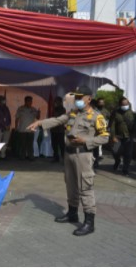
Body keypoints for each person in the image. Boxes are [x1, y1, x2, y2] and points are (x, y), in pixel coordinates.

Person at [27, 86, 109, 236]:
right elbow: (57, 120)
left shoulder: (97, 117)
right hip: (69, 154)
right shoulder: (73, 113)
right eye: (76, 97)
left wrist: (86, 140)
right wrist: (39, 123)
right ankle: (72, 213)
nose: (77, 100)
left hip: (83, 155)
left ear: (88, 99)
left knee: (85, 187)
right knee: (70, 185)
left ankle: (89, 223)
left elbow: (105, 137)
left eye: (80, 97)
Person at [109, 97, 135, 176]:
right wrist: (113, 136)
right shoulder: (115, 112)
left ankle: (125, 169)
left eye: (126, 104)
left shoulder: (133, 112)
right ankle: (117, 161)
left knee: (128, 154)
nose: (125, 105)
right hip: (118, 136)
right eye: (123, 104)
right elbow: (112, 125)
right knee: (115, 151)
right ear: (120, 104)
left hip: (129, 136)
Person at [15, 96, 40, 160]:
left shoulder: (33, 109)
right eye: (29, 101)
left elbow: (37, 118)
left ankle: (31, 156)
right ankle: (22, 157)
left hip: (31, 130)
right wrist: (16, 127)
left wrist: (39, 113)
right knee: (23, 144)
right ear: (25, 101)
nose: (30, 102)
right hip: (22, 130)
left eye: (31, 101)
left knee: (30, 145)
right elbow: (17, 118)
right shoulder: (20, 109)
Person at [93, 97, 110, 167]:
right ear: (97, 103)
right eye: (100, 102)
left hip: (102, 131)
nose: (101, 104)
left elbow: (110, 119)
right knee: (94, 146)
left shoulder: (106, 111)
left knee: (97, 146)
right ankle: (94, 160)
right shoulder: (94, 110)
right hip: (94, 131)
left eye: (103, 102)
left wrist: (107, 124)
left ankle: (96, 160)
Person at [50, 96, 66, 162]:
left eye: (56, 101)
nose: (55, 103)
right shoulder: (54, 109)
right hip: (54, 129)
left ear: (60, 102)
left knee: (61, 145)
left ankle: (64, 158)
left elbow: (58, 118)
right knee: (54, 145)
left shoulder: (62, 109)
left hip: (60, 130)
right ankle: (56, 157)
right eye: (55, 101)